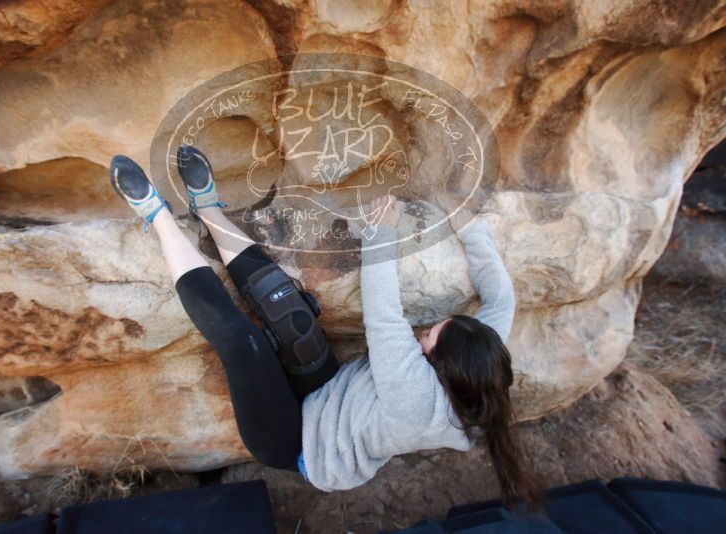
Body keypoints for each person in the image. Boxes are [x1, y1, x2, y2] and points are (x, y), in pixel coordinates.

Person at [108, 147, 541, 507]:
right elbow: (503, 300)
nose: (422, 333)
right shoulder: (480, 362)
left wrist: (380, 233)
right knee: (292, 314)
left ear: (442, 370)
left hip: (298, 442)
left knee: (245, 344)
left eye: (428, 338)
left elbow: (384, 314)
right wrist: (471, 229)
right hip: (333, 395)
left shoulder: (415, 397)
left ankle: (156, 216)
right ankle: (208, 209)